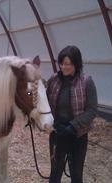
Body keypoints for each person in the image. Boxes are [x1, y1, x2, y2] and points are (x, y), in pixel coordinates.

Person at [46, 45, 98, 183]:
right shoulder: (53, 80)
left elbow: (92, 110)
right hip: (58, 133)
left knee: (76, 175)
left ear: (76, 63)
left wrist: (73, 126)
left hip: (77, 135)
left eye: (68, 64)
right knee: (55, 174)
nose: (63, 67)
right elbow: (44, 102)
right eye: (61, 63)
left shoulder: (87, 82)